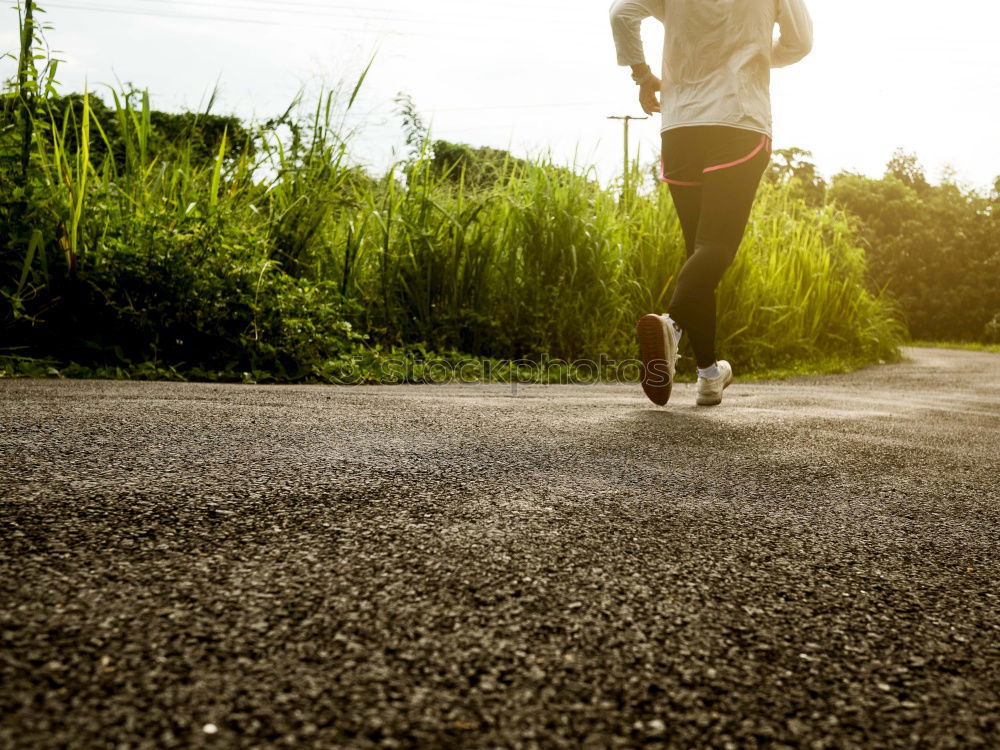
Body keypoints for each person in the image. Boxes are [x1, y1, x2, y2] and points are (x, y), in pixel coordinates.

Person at [609, 0, 813, 406]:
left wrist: (643, 74)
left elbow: (621, 13)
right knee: (716, 247)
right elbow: (800, 42)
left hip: (681, 123)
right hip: (738, 120)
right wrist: (752, 49)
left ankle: (708, 375)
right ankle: (674, 322)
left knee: (699, 251)